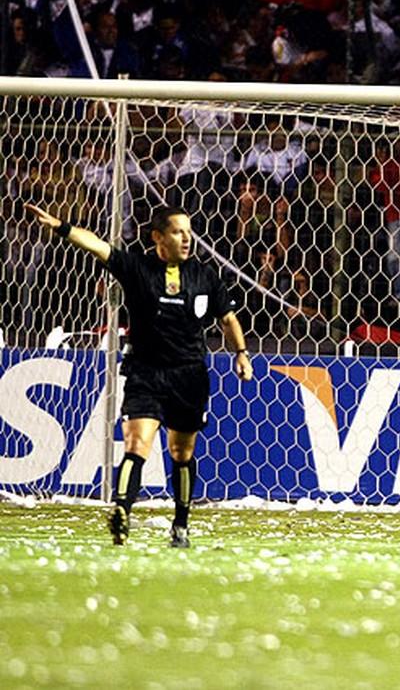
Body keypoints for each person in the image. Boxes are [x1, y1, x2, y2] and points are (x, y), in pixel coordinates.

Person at [25, 203, 253, 548]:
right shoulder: (137, 267)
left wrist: (241, 353)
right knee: (136, 444)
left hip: (189, 376)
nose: (186, 238)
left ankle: (181, 524)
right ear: (158, 237)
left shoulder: (205, 275)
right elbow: (97, 246)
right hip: (146, 372)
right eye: (177, 232)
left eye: (188, 232)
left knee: (181, 453)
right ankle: (121, 510)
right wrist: (60, 226)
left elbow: (228, 319)